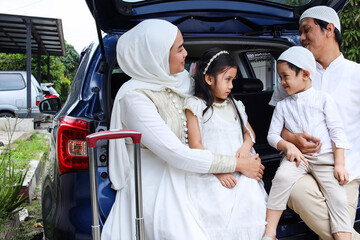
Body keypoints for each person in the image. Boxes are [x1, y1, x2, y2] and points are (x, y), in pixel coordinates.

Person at [101, 19, 264, 240]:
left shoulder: (182, 81)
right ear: (156, 55)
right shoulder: (134, 98)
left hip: (194, 169)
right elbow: (177, 154)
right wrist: (239, 164)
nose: (186, 53)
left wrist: (245, 151)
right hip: (157, 180)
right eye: (179, 49)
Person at [269, 6, 360, 240]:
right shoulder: (293, 72)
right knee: (293, 191)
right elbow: (276, 125)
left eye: (306, 30)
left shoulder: (356, 74)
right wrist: (293, 139)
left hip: (344, 172)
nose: (301, 37)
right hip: (299, 166)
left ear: (329, 29)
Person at [184, 48, 267, 239]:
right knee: (217, 208)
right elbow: (196, 146)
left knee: (252, 201)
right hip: (211, 172)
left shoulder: (235, 104)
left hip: (241, 171)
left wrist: (246, 147)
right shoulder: (195, 106)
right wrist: (219, 171)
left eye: (233, 80)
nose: (231, 85)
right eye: (227, 79)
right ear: (209, 79)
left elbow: (250, 133)